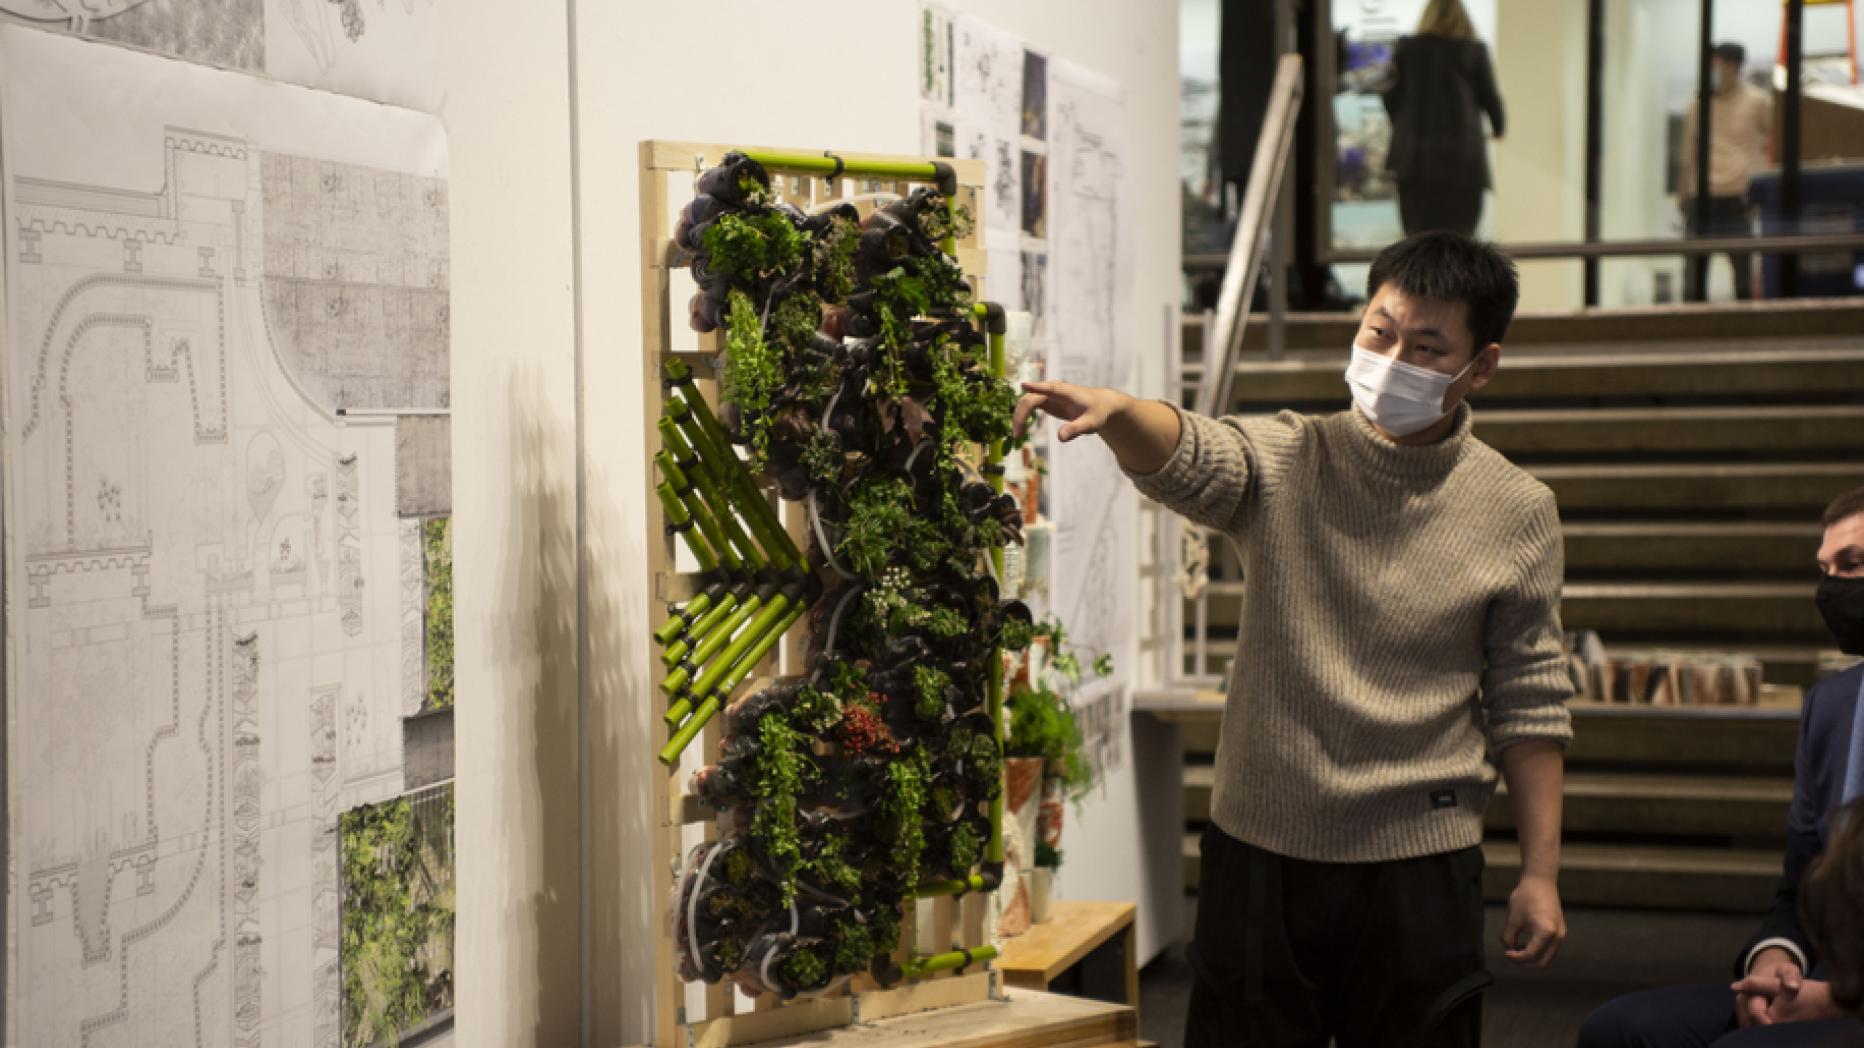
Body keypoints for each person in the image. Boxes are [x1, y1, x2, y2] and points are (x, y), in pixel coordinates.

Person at [1013, 232, 1571, 1047]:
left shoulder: (1517, 508)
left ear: (1479, 366)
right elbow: (1199, 452)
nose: (1391, 359)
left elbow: (1529, 699)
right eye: (1379, 332)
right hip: (1264, 851)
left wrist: (1542, 875)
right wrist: (1121, 412)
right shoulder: (1291, 455)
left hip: (1420, 861)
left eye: (1425, 348)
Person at [1578, 485, 1864, 1047]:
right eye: (1824, 569)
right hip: (1829, 980)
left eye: (1852, 564)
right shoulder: (1831, 705)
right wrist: (1777, 957)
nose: (1831, 587)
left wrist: (1835, 1002)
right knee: (1617, 1031)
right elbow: (1800, 886)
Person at [1381, 0, 1505, 237]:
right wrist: (1498, 128)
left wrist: (1402, 124)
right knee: (1460, 238)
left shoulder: (1407, 48)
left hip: (1414, 159)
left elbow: (1390, 95)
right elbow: (1490, 97)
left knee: (1417, 238)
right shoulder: (1473, 49)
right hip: (1461, 160)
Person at [1680, 42, 1772, 302]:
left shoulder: (1757, 102)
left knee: (1742, 276)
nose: (1711, 71)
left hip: (1738, 198)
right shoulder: (1697, 106)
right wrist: (1682, 195)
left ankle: (1746, 333)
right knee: (1693, 277)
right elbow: (1689, 156)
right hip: (1703, 199)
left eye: (1716, 65)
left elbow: (1775, 141)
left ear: (1732, 67)